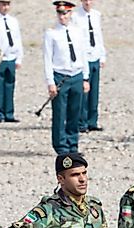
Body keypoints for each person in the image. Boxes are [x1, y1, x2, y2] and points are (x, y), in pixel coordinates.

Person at [43, 1, 89, 155]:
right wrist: (50, 82)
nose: (62, 16)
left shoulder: (78, 31)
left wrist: (85, 77)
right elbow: (47, 59)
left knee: (74, 112)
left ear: (71, 13)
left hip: (76, 74)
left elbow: (83, 54)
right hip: (60, 75)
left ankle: (72, 143)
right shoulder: (51, 33)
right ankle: (61, 146)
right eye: (60, 13)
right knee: (60, 112)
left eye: (65, 13)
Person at [72, 0, 105, 133]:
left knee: (94, 91)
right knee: (83, 91)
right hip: (83, 57)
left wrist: (102, 55)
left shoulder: (96, 15)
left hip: (95, 55)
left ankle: (93, 121)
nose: (88, 2)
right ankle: (82, 122)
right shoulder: (75, 16)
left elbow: (98, 36)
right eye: (85, 0)